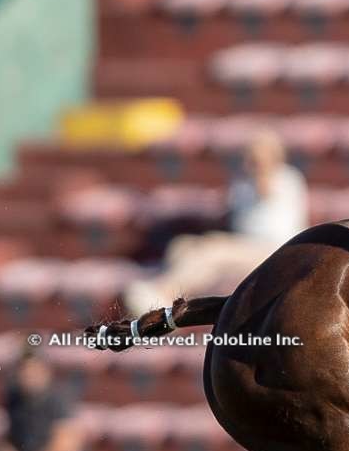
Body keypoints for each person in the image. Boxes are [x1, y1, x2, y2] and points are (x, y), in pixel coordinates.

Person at [124, 130, 308, 314]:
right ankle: (176, 301)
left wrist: (262, 164)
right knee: (183, 246)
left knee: (214, 252)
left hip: (272, 249)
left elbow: (265, 189)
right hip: (244, 244)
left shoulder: (286, 178)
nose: (251, 160)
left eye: (256, 155)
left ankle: (162, 293)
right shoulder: (243, 183)